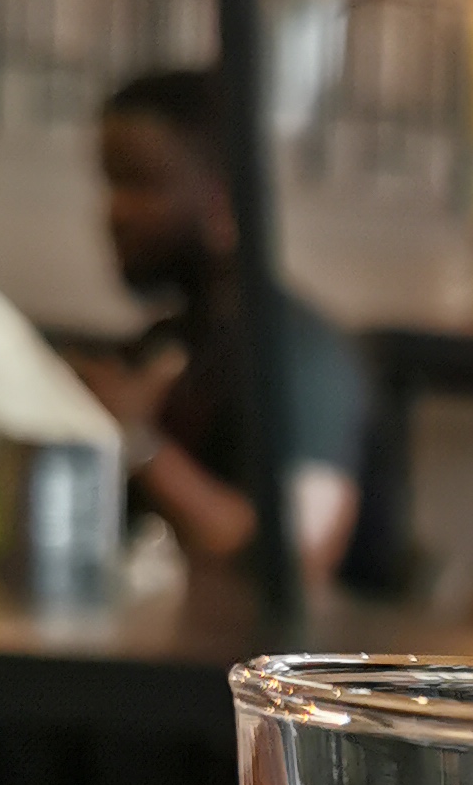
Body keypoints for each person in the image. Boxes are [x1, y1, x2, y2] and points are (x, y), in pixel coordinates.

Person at [73, 68, 369, 589]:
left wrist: (137, 442)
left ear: (222, 199)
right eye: (111, 183)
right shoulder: (167, 344)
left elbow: (298, 554)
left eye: (141, 183)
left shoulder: (297, 353)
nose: (116, 212)